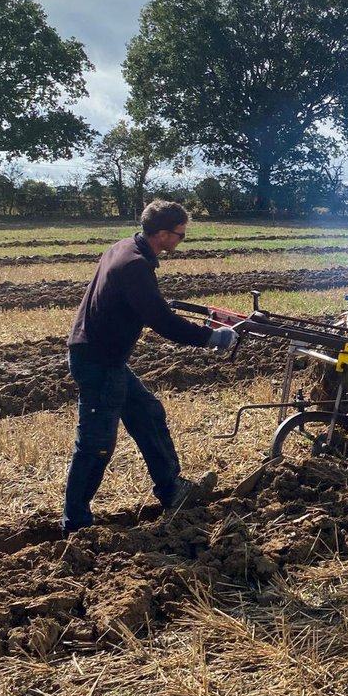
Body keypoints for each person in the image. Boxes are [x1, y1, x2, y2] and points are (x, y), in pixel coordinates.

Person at [62, 200, 238, 534]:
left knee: (147, 414)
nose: (181, 241)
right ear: (161, 234)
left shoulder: (124, 247)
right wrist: (212, 338)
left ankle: (172, 489)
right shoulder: (135, 264)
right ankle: (77, 526)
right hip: (98, 361)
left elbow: (145, 305)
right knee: (95, 445)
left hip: (105, 358)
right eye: (180, 235)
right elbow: (161, 321)